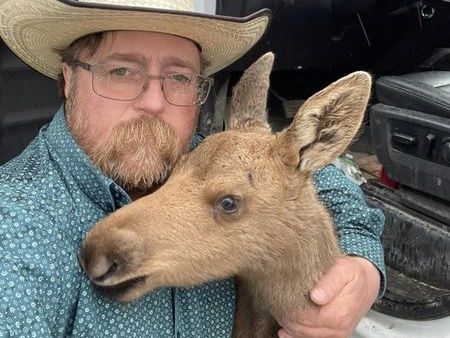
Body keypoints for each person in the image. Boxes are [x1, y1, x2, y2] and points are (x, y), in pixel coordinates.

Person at [0, 0, 385, 337]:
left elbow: (315, 180)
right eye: (121, 71)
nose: (153, 102)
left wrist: (363, 267)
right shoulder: (20, 225)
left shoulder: (192, 155)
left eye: (179, 77)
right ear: (69, 80)